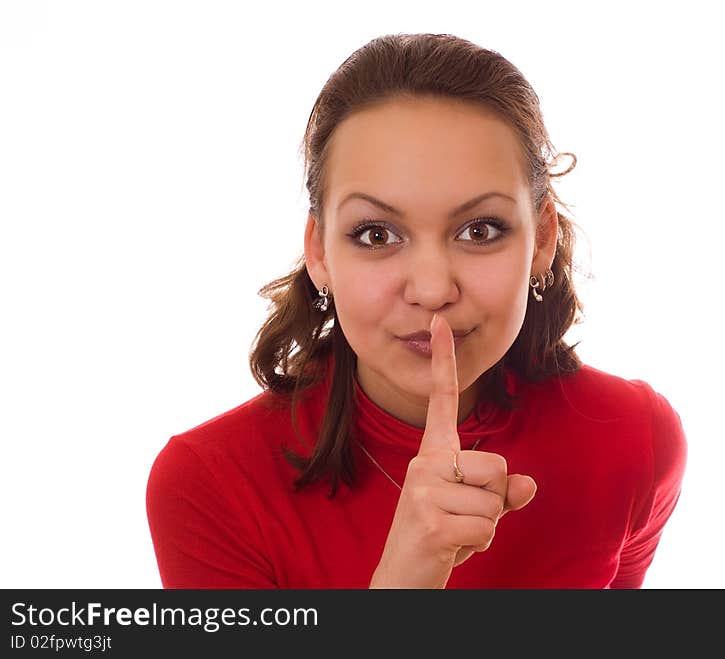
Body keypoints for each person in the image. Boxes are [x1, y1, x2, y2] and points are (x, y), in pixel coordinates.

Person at [145, 32, 687, 589]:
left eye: (480, 230)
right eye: (377, 234)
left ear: (542, 237)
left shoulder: (633, 438)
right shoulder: (209, 484)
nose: (432, 290)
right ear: (319, 251)